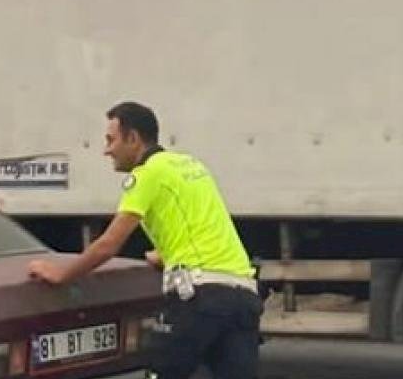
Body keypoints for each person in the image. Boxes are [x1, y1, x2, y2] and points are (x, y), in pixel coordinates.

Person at [27, 102, 262, 379]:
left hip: (200, 298)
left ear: (133, 139)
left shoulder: (146, 174)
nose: (106, 150)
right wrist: (165, 255)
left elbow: (108, 245)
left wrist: (61, 274)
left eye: (111, 140)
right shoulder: (189, 165)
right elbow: (199, 227)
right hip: (243, 296)